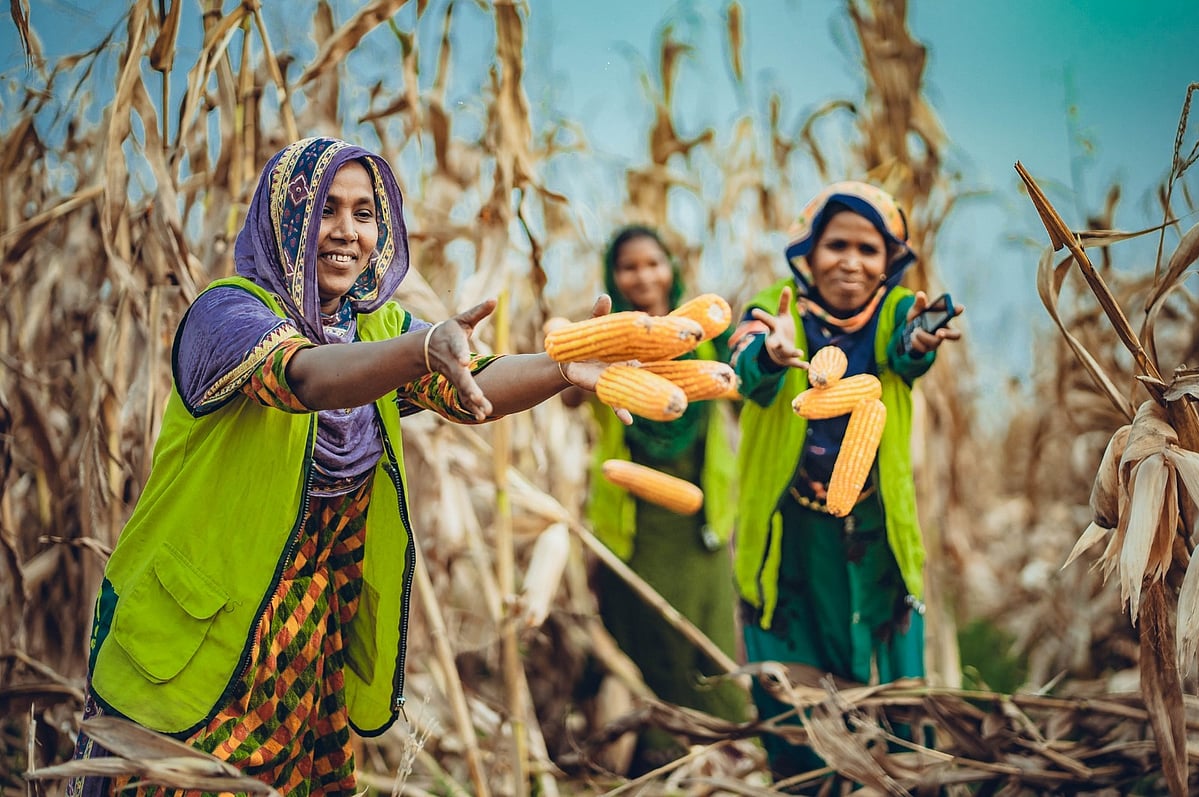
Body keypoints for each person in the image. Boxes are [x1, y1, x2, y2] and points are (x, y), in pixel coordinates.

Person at [67, 136, 617, 797]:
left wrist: (562, 370)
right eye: (326, 208)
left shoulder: (373, 327)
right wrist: (419, 348)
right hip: (193, 650)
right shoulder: (227, 313)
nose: (346, 232)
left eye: (364, 212)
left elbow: (474, 386)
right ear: (284, 221)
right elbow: (304, 378)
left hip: (304, 657)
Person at [728, 181, 963, 782]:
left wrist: (920, 342)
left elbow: (908, 350)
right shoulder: (776, 307)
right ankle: (809, 784)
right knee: (795, 695)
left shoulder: (894, 313)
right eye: (836, 245)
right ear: (809, 252)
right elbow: (745, 370)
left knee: (890, 699)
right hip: (792, 536)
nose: (851, 262)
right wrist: (771, 355)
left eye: (869, 248)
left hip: (873, 536)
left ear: (890, 260)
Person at [563, 225, 746, 775]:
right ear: (613, 276)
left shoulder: (707, 339)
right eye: (629, 267)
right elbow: (571, 396)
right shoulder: (604, 339)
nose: (643, 276)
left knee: (705, 644)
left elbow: (747, 399)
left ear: (672, 267)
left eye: (653, 263)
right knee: (644, 641)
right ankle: (651, 763)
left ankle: (723, 757)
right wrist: (582, 354)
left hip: (700, 524)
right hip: (633, 530)